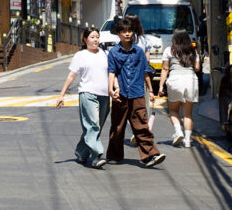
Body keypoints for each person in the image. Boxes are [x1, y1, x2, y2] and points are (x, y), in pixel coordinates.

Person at [106, 15, 165, 167]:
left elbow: (146, 72)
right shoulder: (113, 53)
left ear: (133, 32)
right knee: (118, 126)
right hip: (121, 94)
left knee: (141, 125)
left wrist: (151, 91)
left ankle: (150, 156)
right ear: (118, 33)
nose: (127, 34)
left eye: (129, 31)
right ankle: (114, 155)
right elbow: (111, 72)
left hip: (138, 93)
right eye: (123, 31)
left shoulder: (139, 52)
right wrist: (110, 89)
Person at [56, 28, 109, 168]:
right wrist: (62, 95)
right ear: (85, 40)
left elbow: (111, 73)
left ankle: (81, 151)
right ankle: (97, 155)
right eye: (92, 37)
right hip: (87, 94)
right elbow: (71, 76)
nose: (96, 40)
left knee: (97, 126)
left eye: (97, 37)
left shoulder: (104, 53)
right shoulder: (81, 55)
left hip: (104, 95)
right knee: (92, 125)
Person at [157, 28, 201, 147]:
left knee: (173, 110)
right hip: (191, 81)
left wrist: (161, 86)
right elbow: (197, 68)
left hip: (175, 81)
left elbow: (165, 69)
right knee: (187, 114)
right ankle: (187, 140)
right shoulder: (193, 51)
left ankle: (178, 132)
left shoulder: (169, 50)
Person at [129, 14, 157, 145]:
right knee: (143, 105)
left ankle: (137, 131)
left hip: (127, 76)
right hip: (141, 76)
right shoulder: (145, 39)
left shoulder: (125, 39)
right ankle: (143, 130)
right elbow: (147, 60)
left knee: (129, 106)